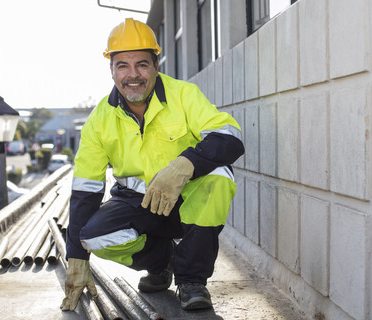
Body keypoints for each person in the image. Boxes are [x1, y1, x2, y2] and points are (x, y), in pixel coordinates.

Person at [60, 18, 244, 312]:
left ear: (156, 66)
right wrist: (77, 259)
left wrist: (183, 166)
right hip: (139, 205)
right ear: (111, 70)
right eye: (123, 65)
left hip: (186, 199)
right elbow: (85, 189)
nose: (133, 75)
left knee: (219, 176)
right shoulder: (99, 121)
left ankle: (192, 280)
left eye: (142, 64)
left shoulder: (184, 95)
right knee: (93, 237)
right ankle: (163, 261)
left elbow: (230, 139)